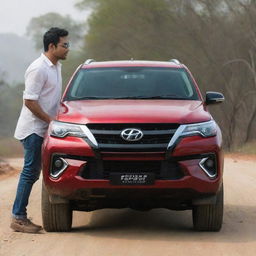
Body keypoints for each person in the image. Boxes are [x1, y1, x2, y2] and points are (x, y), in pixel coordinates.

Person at [11, 27, 69, 233]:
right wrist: (50, 120)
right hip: (34, 129)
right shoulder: (39, 68)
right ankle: (18, 217)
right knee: (30, 173)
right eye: (65, 45)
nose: (68, 49)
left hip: (47, 128)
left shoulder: (56, 66)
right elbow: (29, 101)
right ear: (52, 46)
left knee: (45, 172)